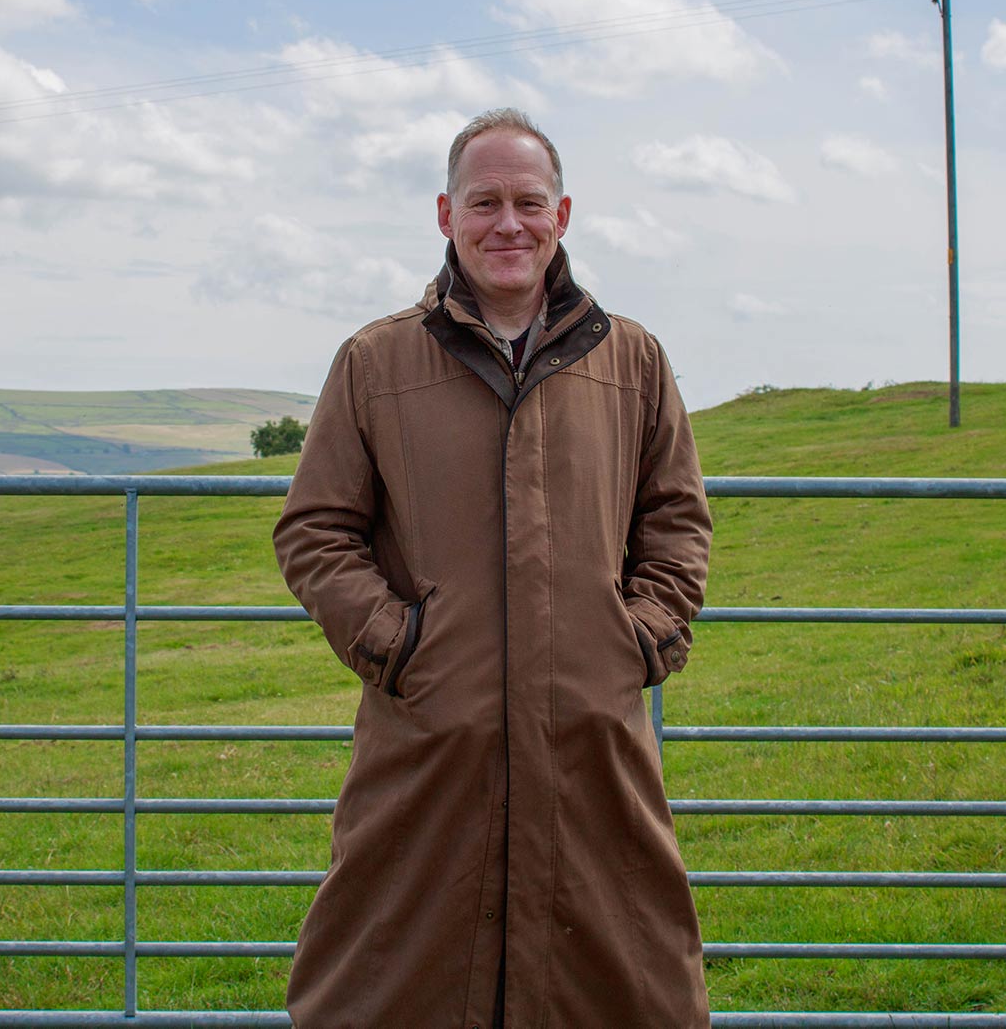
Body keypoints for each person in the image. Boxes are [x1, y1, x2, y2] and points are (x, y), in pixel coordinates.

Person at [274, 107, 712, 1028]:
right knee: (388, 977)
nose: (507, 223)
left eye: (528, 202)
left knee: (621, 978)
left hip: (593, 744)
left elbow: (675, 520)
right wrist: (402, 648)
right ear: (444, 214)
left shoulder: (631, 361)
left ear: (563, 214)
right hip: (428, 747)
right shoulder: (375, 362)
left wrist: (632, 641)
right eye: (484, 203)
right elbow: (316, 530)